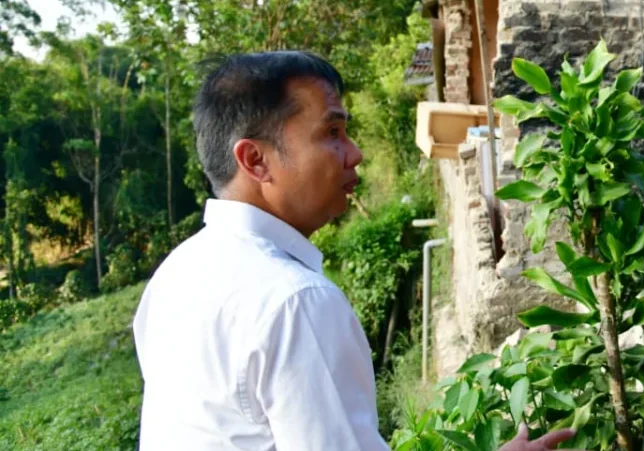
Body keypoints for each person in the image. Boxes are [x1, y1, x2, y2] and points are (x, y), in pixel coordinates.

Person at [133, 51, 579, 450]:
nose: (356, 153)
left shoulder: (176, 275)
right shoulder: (296, 303)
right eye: (332, 131)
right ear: (255, 160)